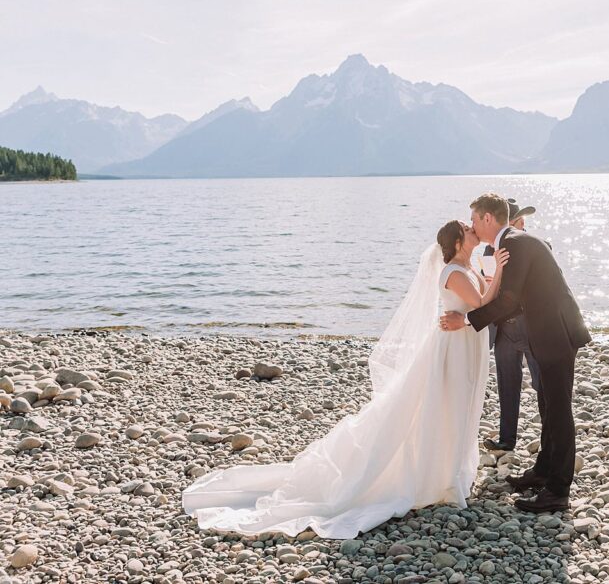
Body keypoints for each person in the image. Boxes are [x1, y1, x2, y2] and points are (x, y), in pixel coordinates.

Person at [181, 220, 509, 538]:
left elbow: (482, 296)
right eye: (467, 230)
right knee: (440, 405)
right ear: (455, 242)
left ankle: (447, 468)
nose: (472, 230)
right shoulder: (453, 271)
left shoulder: (470, 266)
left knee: (453, 404)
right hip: (450, 349)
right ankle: (435, 473)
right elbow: (483, 303)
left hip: (463, 343)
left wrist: (494, 266)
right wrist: (502, 270)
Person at [440, 193, 590, 513]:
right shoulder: (511, 243)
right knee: (548, 404)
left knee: (559, 411)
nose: (472, 226)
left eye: (475, 220)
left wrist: (465, 320)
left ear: (488, 219)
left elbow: (508, 300)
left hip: (556, 335)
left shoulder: (517, 244)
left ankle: (558, 491)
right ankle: (543, 470)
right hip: (547, 334)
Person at [482, 198, 543, 453]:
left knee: (542, 383)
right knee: (506, 383)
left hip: (531, 325)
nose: (524, 224)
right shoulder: (489, 252)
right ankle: (507, 439)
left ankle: (550, 437)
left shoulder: (538, 245)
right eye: (520, 219)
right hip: (503, 327)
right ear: (510, 222)